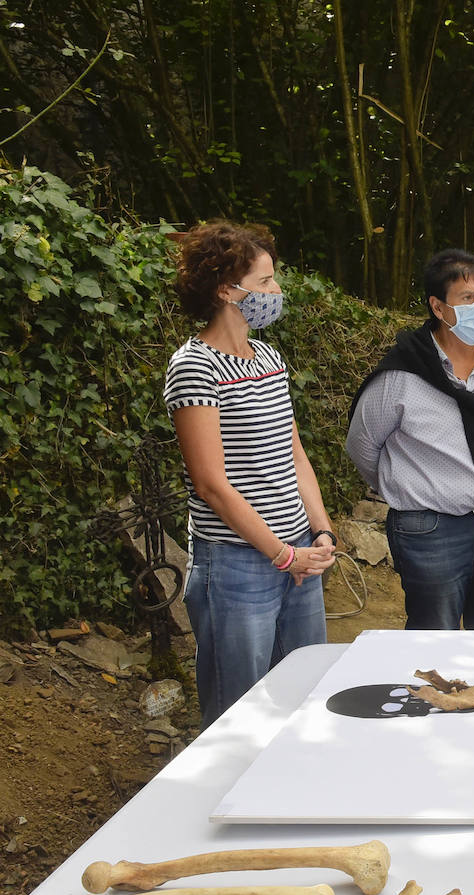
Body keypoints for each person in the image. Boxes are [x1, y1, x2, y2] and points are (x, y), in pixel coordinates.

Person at [164, 221, 336, 727]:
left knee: (305, 695)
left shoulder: (268, 356)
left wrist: (320, 530)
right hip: (239, 564)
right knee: (238, 713)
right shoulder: (194, 365)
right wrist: (282, 554)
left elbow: (294, 452)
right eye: (264, 283)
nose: (276, 291)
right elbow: (211, 484)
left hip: (297, 556)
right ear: (225, 290)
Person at [346, 249, 474, 631]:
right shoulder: (403, 374)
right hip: (433, 531)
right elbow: (362, 445)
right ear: (438, 306)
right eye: (467, 298)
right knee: (434, 640)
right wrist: (409, 489)